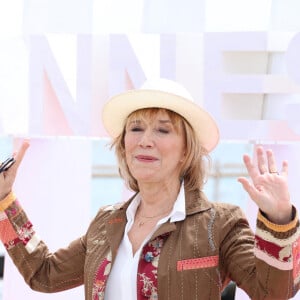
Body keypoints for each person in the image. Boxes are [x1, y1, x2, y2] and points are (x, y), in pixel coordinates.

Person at [0, 78, 299, 300]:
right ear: (124, 144)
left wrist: (280, 218)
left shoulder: (218, 224)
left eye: (163, 129)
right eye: (136, 128)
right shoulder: (106, 223)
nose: (145, 140)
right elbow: (44, 274)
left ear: (186, 150)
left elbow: (272, 292)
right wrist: (4, 201)